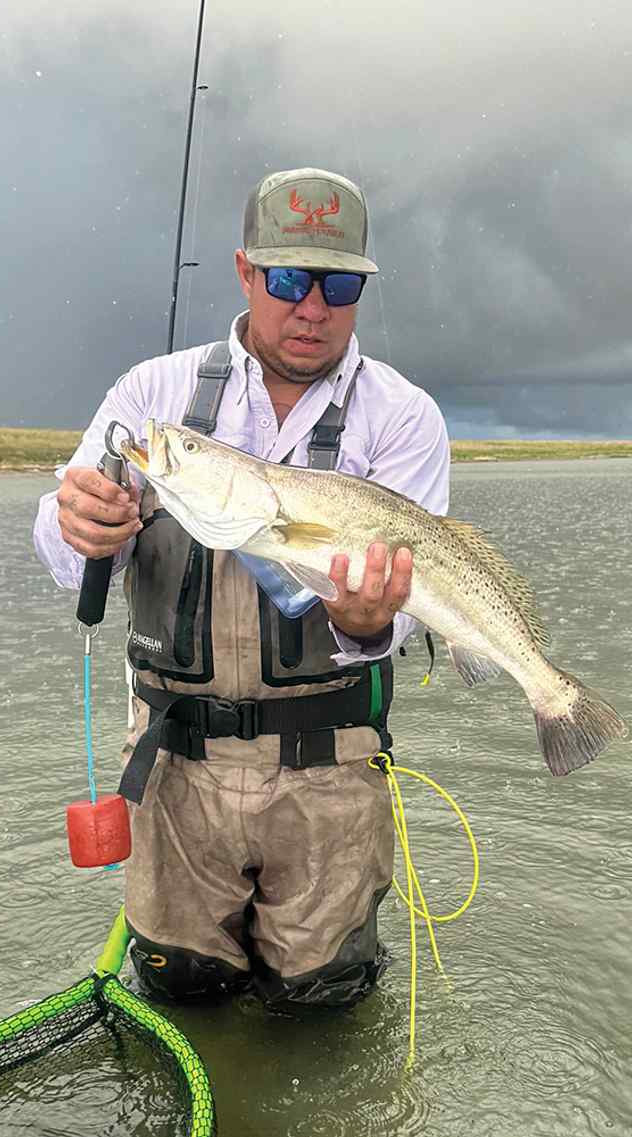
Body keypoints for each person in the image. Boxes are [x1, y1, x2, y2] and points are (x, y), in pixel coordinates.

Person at [33, 167, 450, 1010]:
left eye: (337, 284)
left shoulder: (404, 417)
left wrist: (372, 623)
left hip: (329, 776)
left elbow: (397, 620)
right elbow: (66, 552)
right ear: (245, 272)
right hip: (175, 767)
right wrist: (77, 524)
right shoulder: (153, 397)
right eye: (290, 279)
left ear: (360, 287)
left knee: (324, 1005)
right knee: (181, 988)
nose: (312, 307)